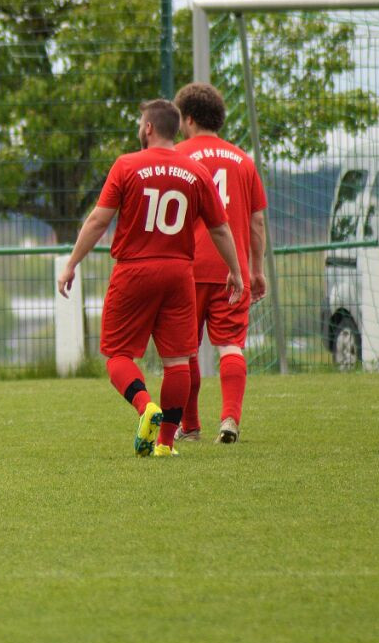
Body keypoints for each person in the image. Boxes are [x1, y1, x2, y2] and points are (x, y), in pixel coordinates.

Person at [58, 98, 243, 457]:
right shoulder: (196, 172)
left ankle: (146, 407)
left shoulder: (127, 165)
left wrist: (72, 263)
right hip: (178, 274)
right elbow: (220, 229)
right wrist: (235, 271)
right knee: (177, 361)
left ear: (147, 128)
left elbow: (98, 220)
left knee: (117, 355)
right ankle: (164, 444)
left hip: (134, 270)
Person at [173, 83, 268, 444]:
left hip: (188, 267)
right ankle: (229, 418)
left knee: (183, 349)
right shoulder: (244, 161)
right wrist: (255, 270)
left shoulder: (179, 156)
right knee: (230, 345)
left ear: (190, 118)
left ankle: (191, 425)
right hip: (234, 271)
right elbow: (257, 222)